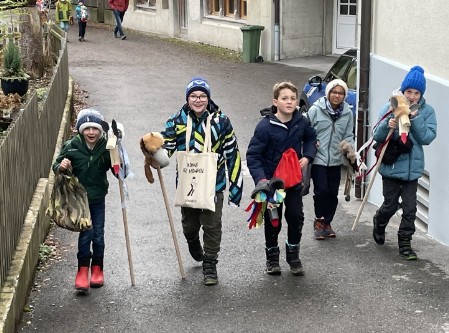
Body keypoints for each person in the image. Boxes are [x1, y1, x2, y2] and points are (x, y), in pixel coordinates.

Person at [160, 77, 243, 286]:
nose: (198, 100)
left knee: (212, 225)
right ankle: (192, 241)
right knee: (189, 225)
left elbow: (232, 152)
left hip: (215, 183)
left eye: (202, 96)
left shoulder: (221, 121)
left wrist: (235, 187)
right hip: (187, 183)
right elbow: (166, 146)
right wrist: (155, 156)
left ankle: (210, 264)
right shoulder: (177, 120)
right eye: (194, 96)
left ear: (208, 98)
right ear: (187, 98)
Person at [246, 81, 316, 276]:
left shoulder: (302, 121)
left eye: (293, 98)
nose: (289, 102)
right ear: (275, 101)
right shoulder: (265, 126)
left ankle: (293, 256)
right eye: (284, 98)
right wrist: (261, 181)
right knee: (273, 220)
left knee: (296, 217)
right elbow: (253, 156)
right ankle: (272, 258)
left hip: (293, 182)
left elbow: (311, 139)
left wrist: (307, 156)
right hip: (272, 185)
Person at [372, 65, 437, 260]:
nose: (412, 96)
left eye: (417, 93)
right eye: (409, 91)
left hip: (412, 169)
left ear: (421, 94)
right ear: (403, 90)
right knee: (390, 205)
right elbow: (377, 134)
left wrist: (415, 118)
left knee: (410, 209)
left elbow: (427, 137)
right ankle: (380, 221)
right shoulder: (391, 105)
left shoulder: (427, 111)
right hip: (392, 166)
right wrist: (388, 123)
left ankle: (405, 243)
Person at [52, 108, 111, 292]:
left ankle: (97, 269)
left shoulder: (107, 147)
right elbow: (56, 166)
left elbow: (117, 169)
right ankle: (82, 271)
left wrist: (120, 166)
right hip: (80, 199)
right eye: (87, 128)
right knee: (86, 234)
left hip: (98, 197)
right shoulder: (72, 146)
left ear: (101, 130)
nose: (91, 132)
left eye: (95, 128)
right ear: (80, 130)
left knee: (98, 235)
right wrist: (61, 166)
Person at [307, 79, 354, 240]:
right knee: (322, 191)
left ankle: (327, 222)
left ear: (344, 96)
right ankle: (319, 221)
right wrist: (312, 142)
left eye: (341, 93)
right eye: (334, 92)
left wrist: (349, 149)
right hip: (318, 158)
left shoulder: (348, 113)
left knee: (333, 193)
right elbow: (306, 130)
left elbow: (349, 135)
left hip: (336, 159)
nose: (337, 95)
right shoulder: (316, 109)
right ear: (328, 93)